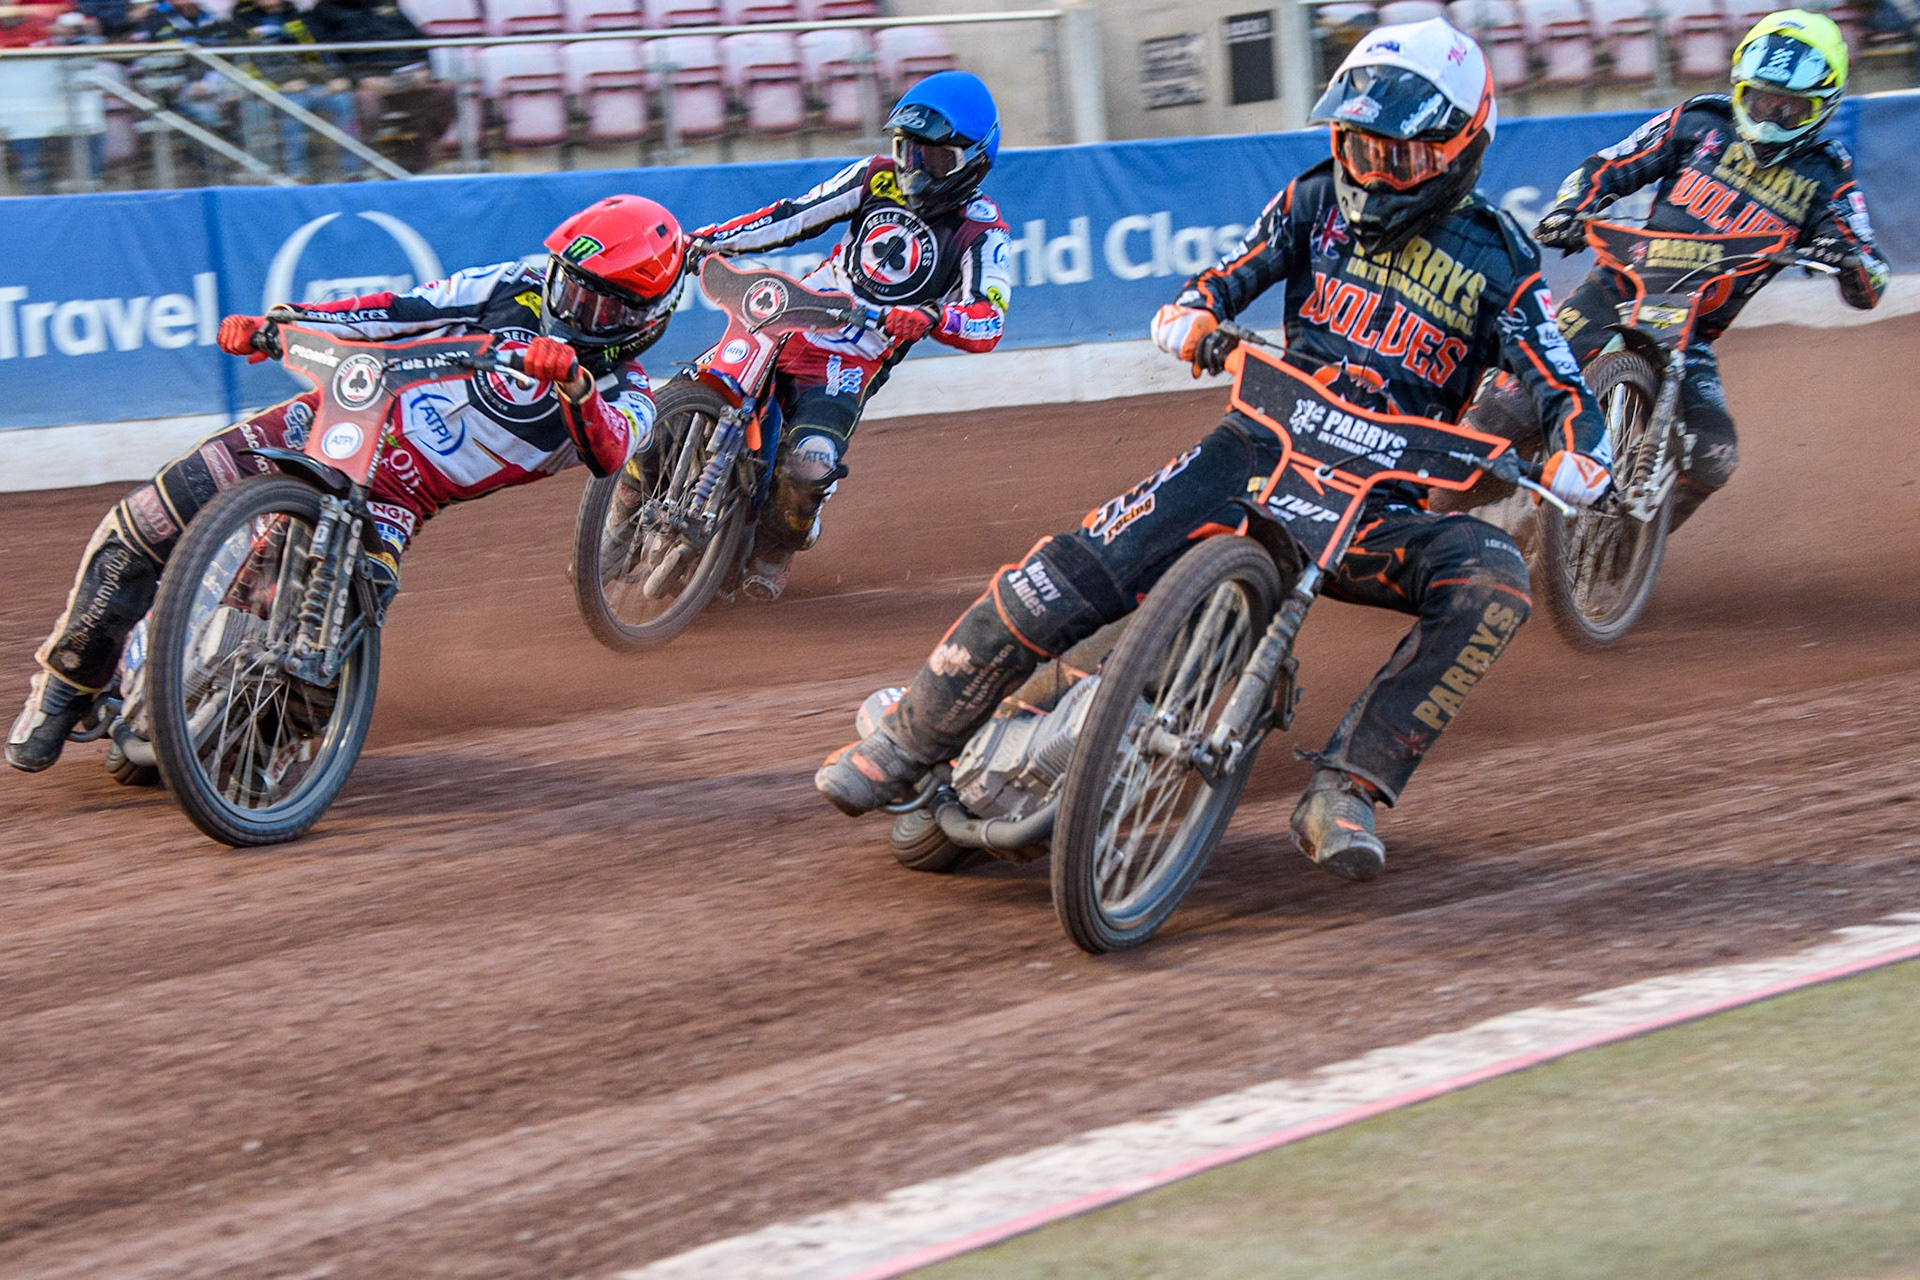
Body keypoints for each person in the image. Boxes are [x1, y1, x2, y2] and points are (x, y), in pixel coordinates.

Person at [815, 20, 1613, 883]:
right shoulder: (1312, 199)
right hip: (1255, 450)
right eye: (1355, 146)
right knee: (1078, 565)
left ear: (1461, 149)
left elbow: (1563, 383)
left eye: (1398, 158)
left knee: (1495, 575)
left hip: (1374, 509)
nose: (1371, 174)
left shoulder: (1498, 256)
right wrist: (1193, 314)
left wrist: (1582, 453)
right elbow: (1225, 277)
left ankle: (1349, 787)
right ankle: (911, 736)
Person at [7, 196, 685, 773]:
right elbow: (397, 308)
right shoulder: (515, 283)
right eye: (569, 284)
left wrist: (571, 381)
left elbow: (609, 450)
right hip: (332, 418)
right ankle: (66, 685)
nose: (571, 306)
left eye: (598, 305)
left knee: (321, 670)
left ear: (644, 320)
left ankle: (245, 757)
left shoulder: (627, 392)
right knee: (148, 518)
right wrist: (283, 322)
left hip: (396, 500)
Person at [1532, 9, 1887, 529]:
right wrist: (1570, 209)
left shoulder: (1826, 174)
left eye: (1791, 108)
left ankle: (1624, 548)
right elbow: (1611, 163)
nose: (1770, 118)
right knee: (1510, 399)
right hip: (1615, 289)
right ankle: (1439, 493)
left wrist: (1847, 258)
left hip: (1691, 328)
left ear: (1823, 107)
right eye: (1762, 99)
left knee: (1713, 455)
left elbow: (1869, 268)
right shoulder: (1700, 122)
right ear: (1740, 87)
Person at [683, 69, 1012, 602]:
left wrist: (932, 318)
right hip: (789, 316)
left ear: (972, 162)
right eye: (908, 151)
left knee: (810, 463)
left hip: (849, 361)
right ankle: (624, 508)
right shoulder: (873, 177)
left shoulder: (982, 228)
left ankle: (774, 551)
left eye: (934, 159)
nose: (914, 170)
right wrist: (707, 241)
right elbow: (790, 218)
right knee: (677, 397)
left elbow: (988, 319)